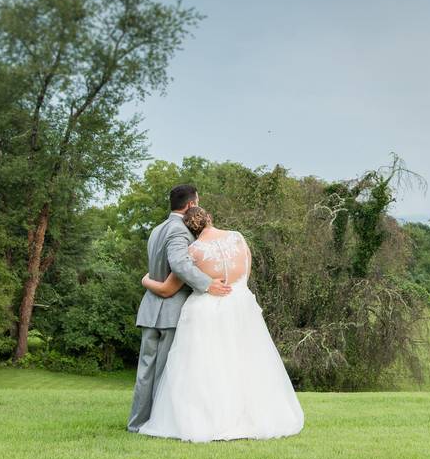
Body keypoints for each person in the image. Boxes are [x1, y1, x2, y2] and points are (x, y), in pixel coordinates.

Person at [137, 206, 304, 442]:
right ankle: (250, 416)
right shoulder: (237, 238)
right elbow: (245, 272)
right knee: (246, 362)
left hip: (207, 310)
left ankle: (212, 418)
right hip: (242, 306)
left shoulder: (193, 251)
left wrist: (145, 280)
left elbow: (167, 289)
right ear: (210, 219)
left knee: (208, 365)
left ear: (189, 228)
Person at [127, 185, 233, 433]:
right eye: (198, 201)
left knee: (145, 371)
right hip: (170, 310)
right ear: (190, 205)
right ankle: (155, 424)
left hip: (151, 308)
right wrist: (207, 284)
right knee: (164, 372)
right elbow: (178, 263)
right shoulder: (179, 229)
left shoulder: (157, 229)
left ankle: (137, 423)